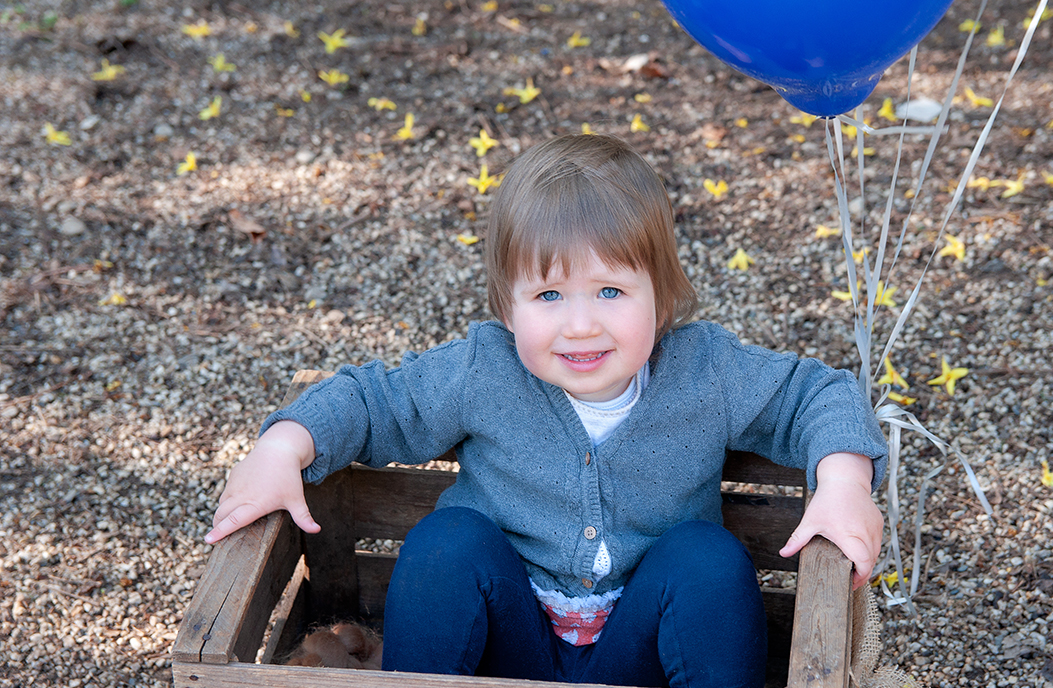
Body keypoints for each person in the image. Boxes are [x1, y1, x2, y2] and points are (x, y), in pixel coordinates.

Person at [205, 134, 888, 688]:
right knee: (448, 544)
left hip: (639, 656)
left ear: (664, 296)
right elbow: (370, 398)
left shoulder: (705, 371)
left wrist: (843, 483)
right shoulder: (484, 368)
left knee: (707, 561)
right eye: (550, 296)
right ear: (508, 307)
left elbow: (817, 394)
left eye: (612, 291)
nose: (581, 326)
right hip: (510, 649)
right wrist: (283, 446)